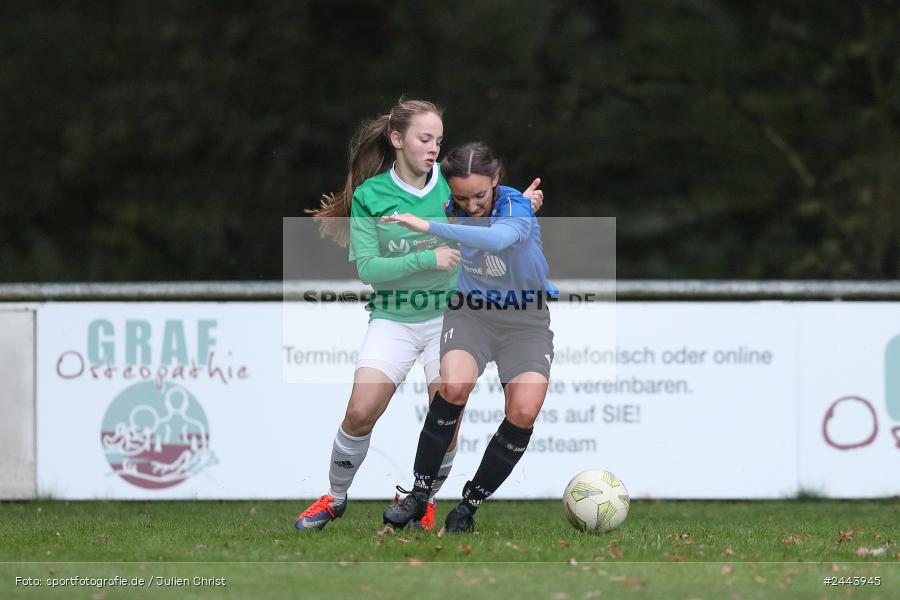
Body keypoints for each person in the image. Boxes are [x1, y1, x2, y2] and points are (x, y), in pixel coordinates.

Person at [294, 102, 543, 531]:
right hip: (393, 318)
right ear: (397, 139)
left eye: (438, 141)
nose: (433, 149)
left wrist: (523, 206)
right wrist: (428, 258)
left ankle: (421, 499)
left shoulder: (451, 185)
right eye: (425, 139)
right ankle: (334, 497)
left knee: (448, 413)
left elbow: (490, 214)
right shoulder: (371, 196)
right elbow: (369, 269)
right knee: (360, 411)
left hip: (452, 317)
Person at [381, 142, 557, 533]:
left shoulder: (514, 205)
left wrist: (426, 226)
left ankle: (467, 508)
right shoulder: (448, 205)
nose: (472, 205)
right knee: (454, 387)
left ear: (495, 179)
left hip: (525, 321)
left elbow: (496, 239)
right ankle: (419, 494)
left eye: (479, 195)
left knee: (524, 411)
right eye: (462, 198)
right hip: (471, 314)